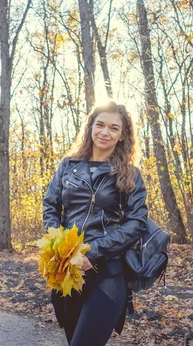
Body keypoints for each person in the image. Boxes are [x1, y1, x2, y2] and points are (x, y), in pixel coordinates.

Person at [42, 101, 148, 345]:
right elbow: (50, 206)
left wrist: (93, 253)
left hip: (108, 273)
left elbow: (136, 222)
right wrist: (59, 245)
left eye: (113, 128)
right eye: (100, 125)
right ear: (90, 128)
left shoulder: (130, 175)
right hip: (67, 271)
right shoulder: (68, 166)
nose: (105, 132)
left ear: (122, 136)